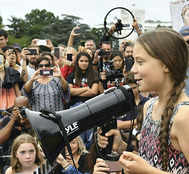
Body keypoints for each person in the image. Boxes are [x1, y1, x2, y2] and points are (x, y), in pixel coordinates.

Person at [118, 29, 189, 173]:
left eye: (140, 62)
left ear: (167, 64)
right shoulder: (148, 106)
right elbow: (151, 159)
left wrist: (147, 171)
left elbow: (149, 168)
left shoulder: (184, 117)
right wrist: (120, 147)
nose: (133, 69)